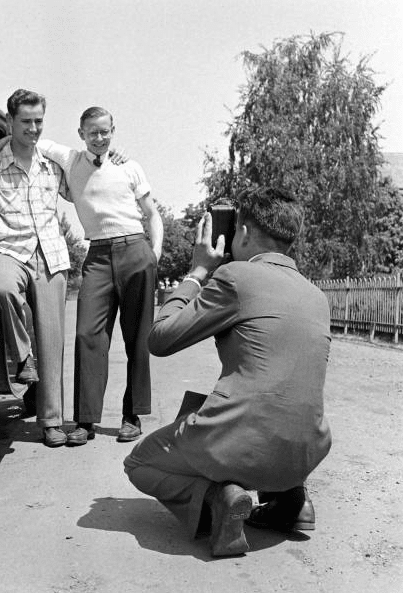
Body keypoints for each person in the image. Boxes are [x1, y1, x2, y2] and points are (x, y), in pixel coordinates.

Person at [123, 186, 332, 557]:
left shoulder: (236, 277)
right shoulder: (317, 296)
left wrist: (197, 271)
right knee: (263, 397)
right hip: (306, 453)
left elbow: (160, 339)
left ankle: (219, 497)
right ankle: (291, 498)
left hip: (243, 444)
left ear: (244, 234)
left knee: (139, 463)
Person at [0, 106, 163, 447]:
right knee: (87, 334)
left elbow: (152, 214)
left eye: (105, 131)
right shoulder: (70, 160)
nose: (100, 137)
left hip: (136, 249)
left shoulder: (130, 166)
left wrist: (155, 252)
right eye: (93, 132)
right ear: (81, 134)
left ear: (113, 130)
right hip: (98, 255)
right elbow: (26, 137)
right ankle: (86, 421)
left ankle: (131, 415)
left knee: (137, 337)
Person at [0, 89, 70, 448]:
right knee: (0, 286)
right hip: (9, 249)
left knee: (52, 339)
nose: (33, 128)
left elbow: (85, 184)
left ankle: (51, 422)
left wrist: (109, 157)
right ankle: (22, 357)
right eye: (26, 121)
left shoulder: (52, 164)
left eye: (38, 121)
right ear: (10, 122)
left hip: (50, 254)